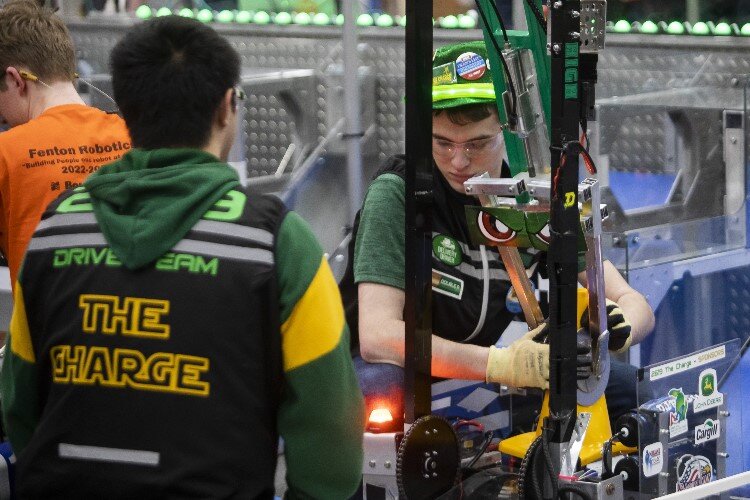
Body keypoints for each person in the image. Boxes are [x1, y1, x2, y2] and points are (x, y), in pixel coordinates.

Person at [1, 15, 363, 499]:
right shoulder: (278, 243)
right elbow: (330, 438)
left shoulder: (53, 232)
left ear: (125, 110)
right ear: (227, 108)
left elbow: (20, 407)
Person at [341, 40, 655, 424]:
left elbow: (632, 301)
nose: (458, 161)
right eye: (441, 143)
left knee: (626, 387)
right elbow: (378, 337)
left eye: (478, 143)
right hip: (405, 366)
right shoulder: (397, 195)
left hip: (492, 367)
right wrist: (501, 364)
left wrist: (615, 328)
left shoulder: (530, 197)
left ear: (507, 132)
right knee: (379, 389)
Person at [0, 0, 131, 288]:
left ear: (15, 80)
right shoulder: (135, 138)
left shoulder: (6, 152)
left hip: (44, 328)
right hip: (127, 324)